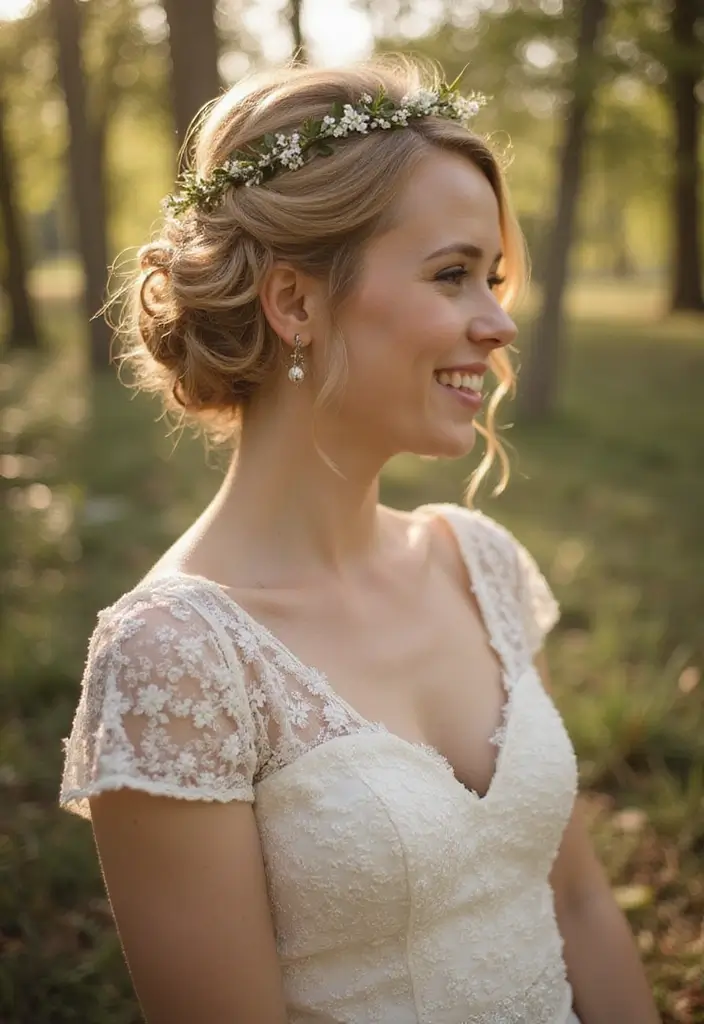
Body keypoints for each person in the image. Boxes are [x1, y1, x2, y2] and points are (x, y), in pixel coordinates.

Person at [59, 56, 659, 1024]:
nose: (498, 322)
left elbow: (579, 901)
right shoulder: (174, 657)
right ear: (294, 303)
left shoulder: (478, 561)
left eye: (492, 278)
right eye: (452, 274)